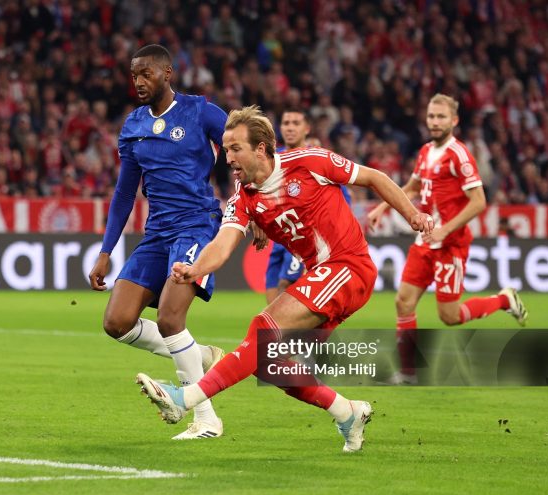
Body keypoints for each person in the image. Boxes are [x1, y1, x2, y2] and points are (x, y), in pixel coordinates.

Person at [136, 105, 434, 452]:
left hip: (347, 267)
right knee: (273, 365)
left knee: (262, 330)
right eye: (226, 149)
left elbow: (374, 177)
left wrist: (412, 214)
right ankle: (347, 412)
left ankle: (184, 399)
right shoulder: (243, 200)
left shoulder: (309, 162)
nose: (228, 158)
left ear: (260, 149)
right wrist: (196, 269)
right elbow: (222, 244)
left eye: (235, 149)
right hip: (322, 277)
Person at [89, 44, 235, 440]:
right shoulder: (134, 125)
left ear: (167, 74)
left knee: (171, 317)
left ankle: (206, 418)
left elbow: (240, 152)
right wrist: (105, 252)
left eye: (146, 74)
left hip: (197, 226)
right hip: (157, 232)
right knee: (116, 322)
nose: (138, 81)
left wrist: (250, 207)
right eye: (134, 74)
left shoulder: (200, 112)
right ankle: (199, 355)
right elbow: (123, 194)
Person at [367, 94, 528, 385]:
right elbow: (414, 186)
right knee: (403, 302)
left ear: (454, 121)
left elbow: (479, 201)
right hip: (426, 241)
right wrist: (383, 205)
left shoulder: (460, 155)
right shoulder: (426, 151)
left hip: (450, 244)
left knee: (450, 316)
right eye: (431, 116)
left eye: (441, 117)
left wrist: (446, 229)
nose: (435, 122)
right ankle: (408, 372)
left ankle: (504, 299)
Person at [265, 109, 352, 303]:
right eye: (286, 123)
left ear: (307, 129)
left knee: (286, 287)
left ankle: (295, 333)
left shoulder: (317, 158)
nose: (290, 128)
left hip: (303, 236)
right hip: (279, 239)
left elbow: (343, 199)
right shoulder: (271, 160)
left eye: (296, 123)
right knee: (271, 298)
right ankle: (286, 333)